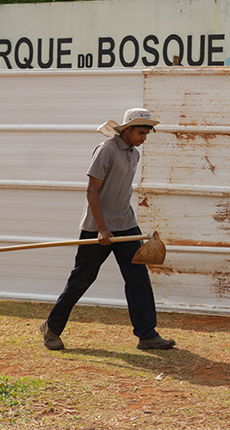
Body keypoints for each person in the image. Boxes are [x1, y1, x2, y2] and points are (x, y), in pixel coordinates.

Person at [40, 108, 176, 351]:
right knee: (82, 278)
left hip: (126, 224)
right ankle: (51, 328)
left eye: (147, 133)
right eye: (141, 132)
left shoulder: (134, 154)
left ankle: (147, 334)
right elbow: (92, 191)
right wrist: (102, 229)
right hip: (97, 227)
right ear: (127, 129)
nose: (144, 138)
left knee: (138, 278)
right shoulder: (106, 150)